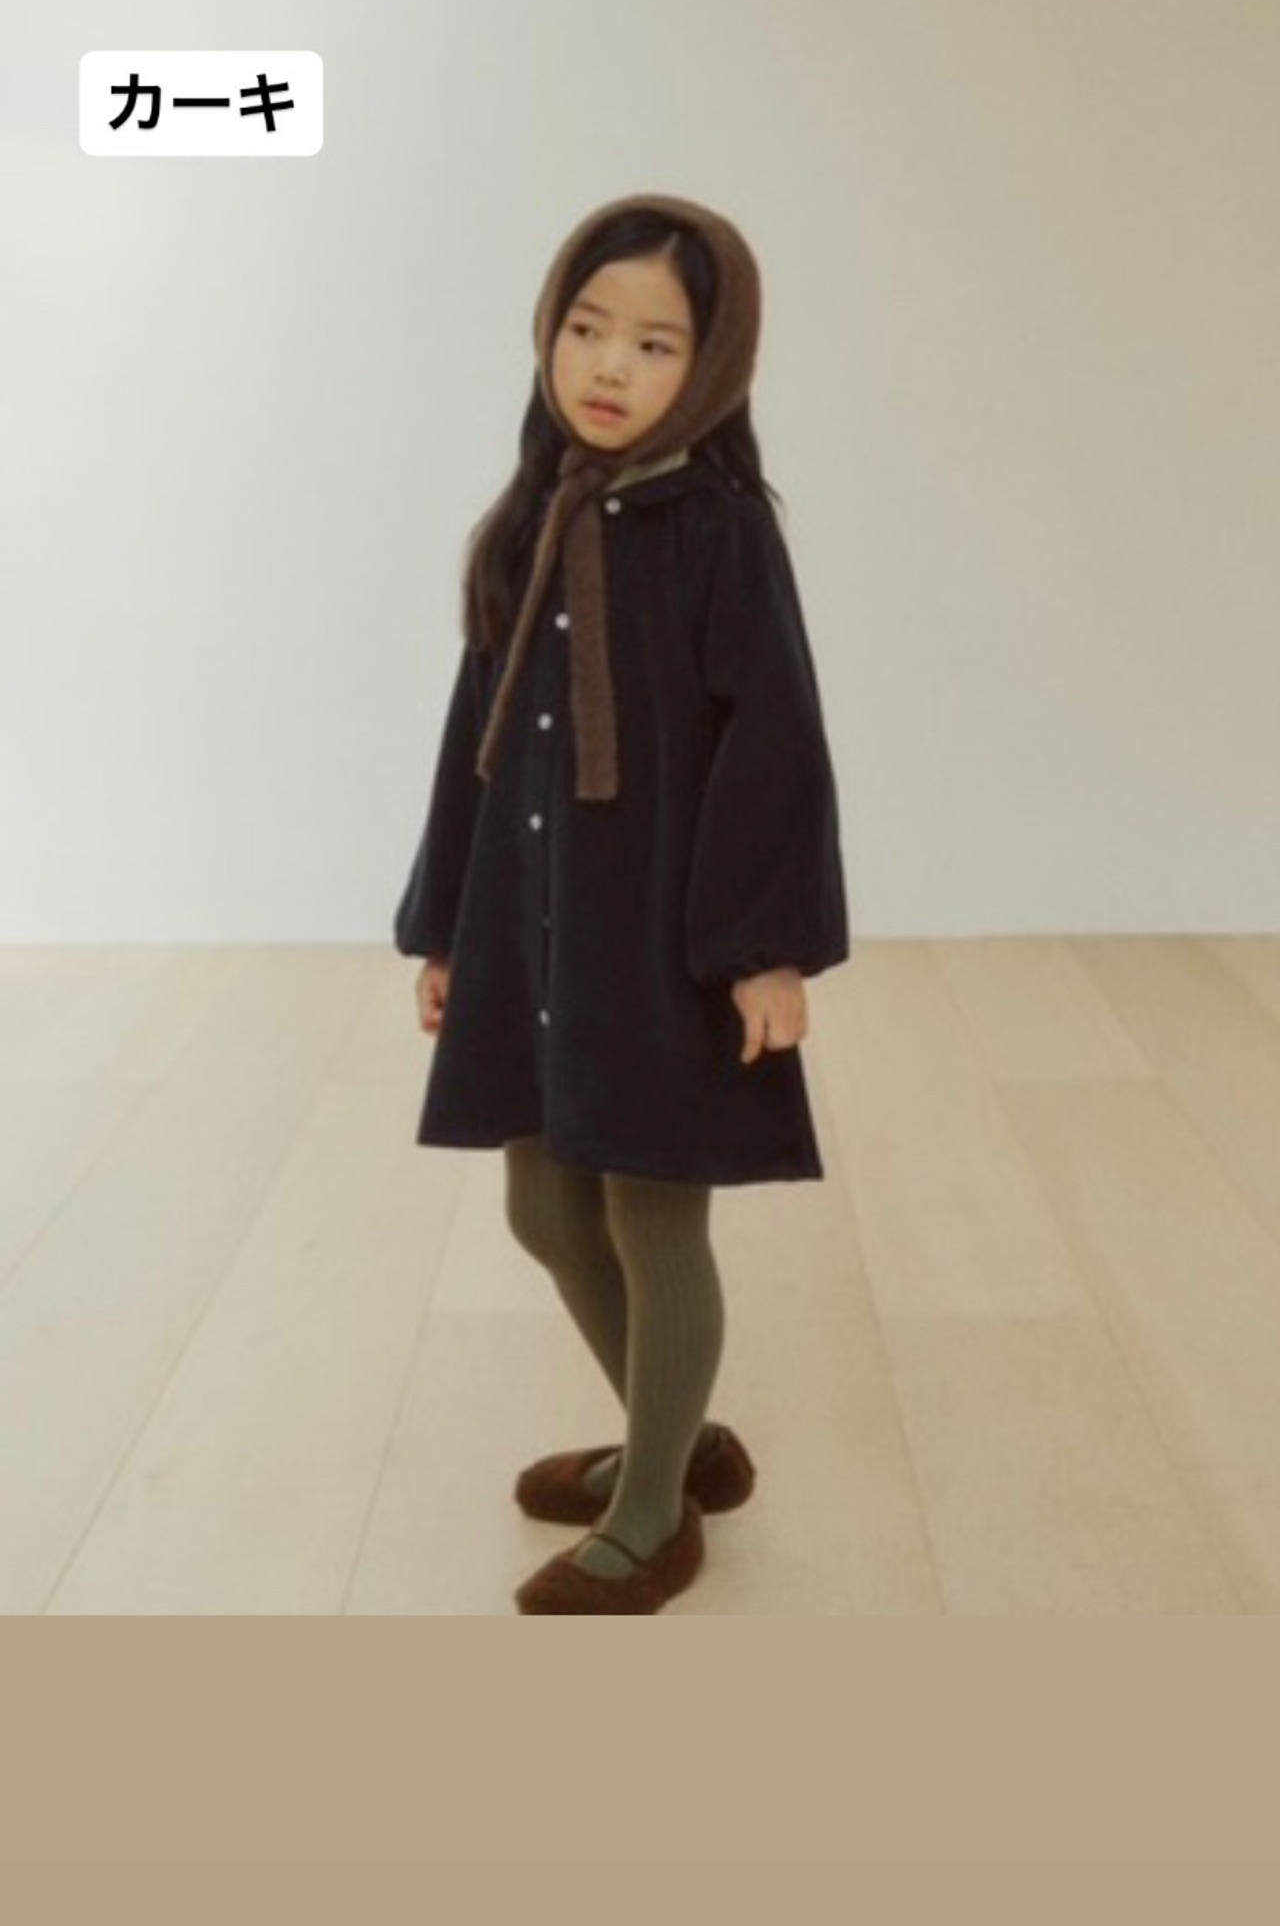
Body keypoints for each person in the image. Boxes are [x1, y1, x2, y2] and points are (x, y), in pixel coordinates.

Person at [393, 191, 850, 1613]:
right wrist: (446, 925)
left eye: (656, 345)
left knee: (655, 1216)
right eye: (588, 329)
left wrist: (766, 951)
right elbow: (475, 732)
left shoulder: (721, 531)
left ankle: (655, 1513)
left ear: (711, 370)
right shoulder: (533, 520)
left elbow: (776, 741)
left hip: (663, 939)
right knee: (543, 1204)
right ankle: (678, 1436)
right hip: (536, 927)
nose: (608, 366)